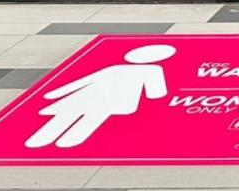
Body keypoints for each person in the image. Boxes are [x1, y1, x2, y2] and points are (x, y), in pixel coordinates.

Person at [25, 44, 176, 149]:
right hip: (117, 100)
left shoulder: (116, 68)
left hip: (86, 96)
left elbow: (83, 82)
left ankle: (43, 139)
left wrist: (55, 94)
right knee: (91, 118)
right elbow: (155, 93)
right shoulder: (152, 70)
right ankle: (68, 140)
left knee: (69, 116)